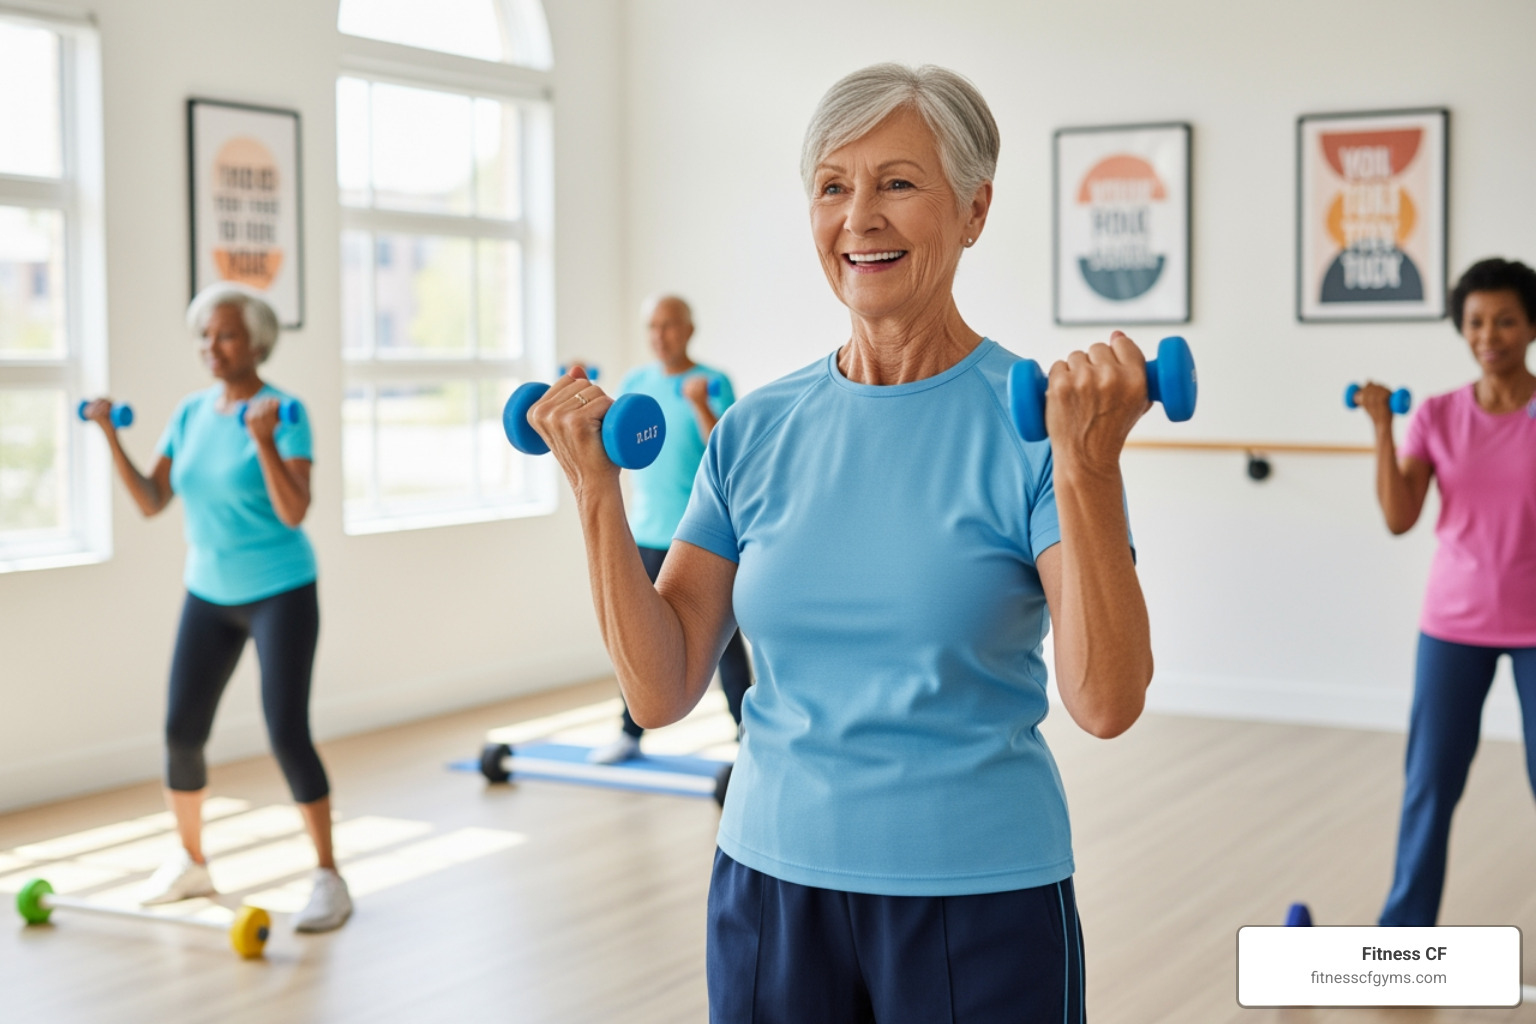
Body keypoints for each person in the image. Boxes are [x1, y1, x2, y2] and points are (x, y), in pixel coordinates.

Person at [528, 63, 1153, 1022]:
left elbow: (1105, 702)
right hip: (768, 889)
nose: (859, 217)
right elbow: (661, 689)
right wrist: (594, 491)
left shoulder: (1038, 425)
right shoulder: (755, 431)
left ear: (974, 209)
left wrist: (1091, 469)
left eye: (897, 182)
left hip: (978, 893)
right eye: (832, 187)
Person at [83, 282, 351, 932]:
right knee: (182, 730)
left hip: (281, 590)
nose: (211, 346)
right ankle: (191, 862)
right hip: (208, 591)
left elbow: (295, 511)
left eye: (225, 334)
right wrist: (109, 435)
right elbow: (152, 500)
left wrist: (263, 441)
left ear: (256, 343)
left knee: (286, 731)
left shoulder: (284, 413)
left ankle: (328, 876)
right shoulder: (190, 413)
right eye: (205, 335)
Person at [1362, 257, 1536, 927]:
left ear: (1531, 327)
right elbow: (1399, 515)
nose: (1489, 336)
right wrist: (1383, 427)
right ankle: (1403, 939)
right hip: (1454, 625)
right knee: (1430, 784)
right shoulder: (1437, 414)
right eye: (1476, 322)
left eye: (1505, 321)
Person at [585, 295, 752, 765]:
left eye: (670, 325)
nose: (660, 336)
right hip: (646, 531)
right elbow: (607, 440)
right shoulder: (636, 383)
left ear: (689, 329)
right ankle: (629, 733)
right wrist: (581, 391)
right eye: (653, 327)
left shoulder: (712, 381)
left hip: (702, 535)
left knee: (723, 644)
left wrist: (699, 404)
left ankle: (748, 738)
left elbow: (728, 448)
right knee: (635, 639)